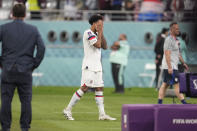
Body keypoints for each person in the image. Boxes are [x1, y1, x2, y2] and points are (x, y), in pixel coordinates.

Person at [0, 3, 45, 131]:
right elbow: (42, 48)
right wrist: (34, 64)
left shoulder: (4, 28)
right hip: (25, 70)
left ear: (12, 14)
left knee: (6, 100)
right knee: (25, 101)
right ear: (25, 15)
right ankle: (25, 127)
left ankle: (5, 127)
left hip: (7, 69)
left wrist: (1, 62)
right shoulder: (33, 29)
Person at [63, 14, 116, 121]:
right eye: (100, 24)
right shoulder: (88, 33)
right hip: (89, 66)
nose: (101, 26)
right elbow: (98, 45)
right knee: (85, 88)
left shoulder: (97, 34)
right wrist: (99, 33)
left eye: (102, 25)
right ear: (94, 23)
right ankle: (67, 109)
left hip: (97, 66)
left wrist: (101, 33)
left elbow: (105, 46)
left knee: (99, 88)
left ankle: (102, 114)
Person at [157, 22, 189, 104]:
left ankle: (159, 103)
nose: (178, 30)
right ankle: (184, 103)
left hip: (174, 66)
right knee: (177, 85)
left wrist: (183, 63)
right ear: (171, 30)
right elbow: (167, 54)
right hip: (170, 67)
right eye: (176, 29)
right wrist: (170, 67)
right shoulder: (168, 40)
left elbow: (178, 54)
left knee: (165, 85)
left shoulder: (177, 40)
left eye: (178, 28)